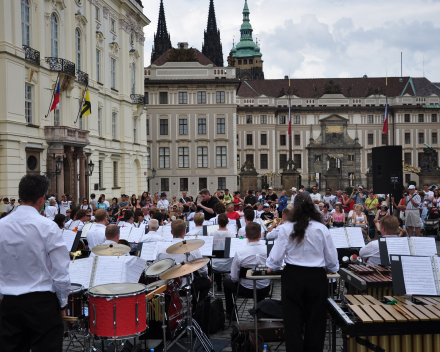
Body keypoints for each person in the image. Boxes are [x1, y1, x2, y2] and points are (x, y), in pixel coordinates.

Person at [0, 174, 70, 352]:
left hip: (9, 302)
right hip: (41, 302)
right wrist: (62, 303)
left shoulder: (1, 225)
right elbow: (60, 271)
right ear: (42, 199)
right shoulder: (47, 226)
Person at [266, 192, 339, 351]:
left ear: (294, 208)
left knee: (293, 325)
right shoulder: (322, 229)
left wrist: (270, 266)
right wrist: (330, 268)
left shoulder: (286, 228)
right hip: (316, 278)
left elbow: (274, 261)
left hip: (293, 277)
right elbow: (333, 262)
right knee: (316, 324)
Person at [156, 219, 211, 304]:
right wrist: (206, 276)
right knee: (206, 282)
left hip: (168, 286)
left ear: (171, 232)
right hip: (187, 285)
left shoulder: (161, 250)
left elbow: (158, 269)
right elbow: (202, 269)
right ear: (184, 231)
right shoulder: (192, 249)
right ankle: (195, 308)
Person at [224, 222, 270, 320]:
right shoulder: (269, 250)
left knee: (226, 282)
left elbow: (234, 278)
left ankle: (231, 314)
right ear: (260, 235)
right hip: (264, 288)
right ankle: (261, 311)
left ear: (246, 235)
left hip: (246, 289)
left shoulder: (240, 253)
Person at [211, 213, 236, 291]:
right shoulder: (232, 234)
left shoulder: (212, 234)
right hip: (228, 264)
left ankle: (218, 285)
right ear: (227, 222)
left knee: (214, 260)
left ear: (217, 222)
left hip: (215, 264)